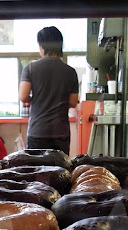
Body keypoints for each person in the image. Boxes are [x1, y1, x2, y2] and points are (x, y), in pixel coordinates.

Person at [18, 26, 79, 155]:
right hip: (61, 132)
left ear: (41, 45)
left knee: (35, 171)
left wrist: (38, 99)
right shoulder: (70, 72)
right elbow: (73, 102)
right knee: (60, 171)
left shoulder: (30, 68)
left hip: (38, 131)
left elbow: (23, 97)